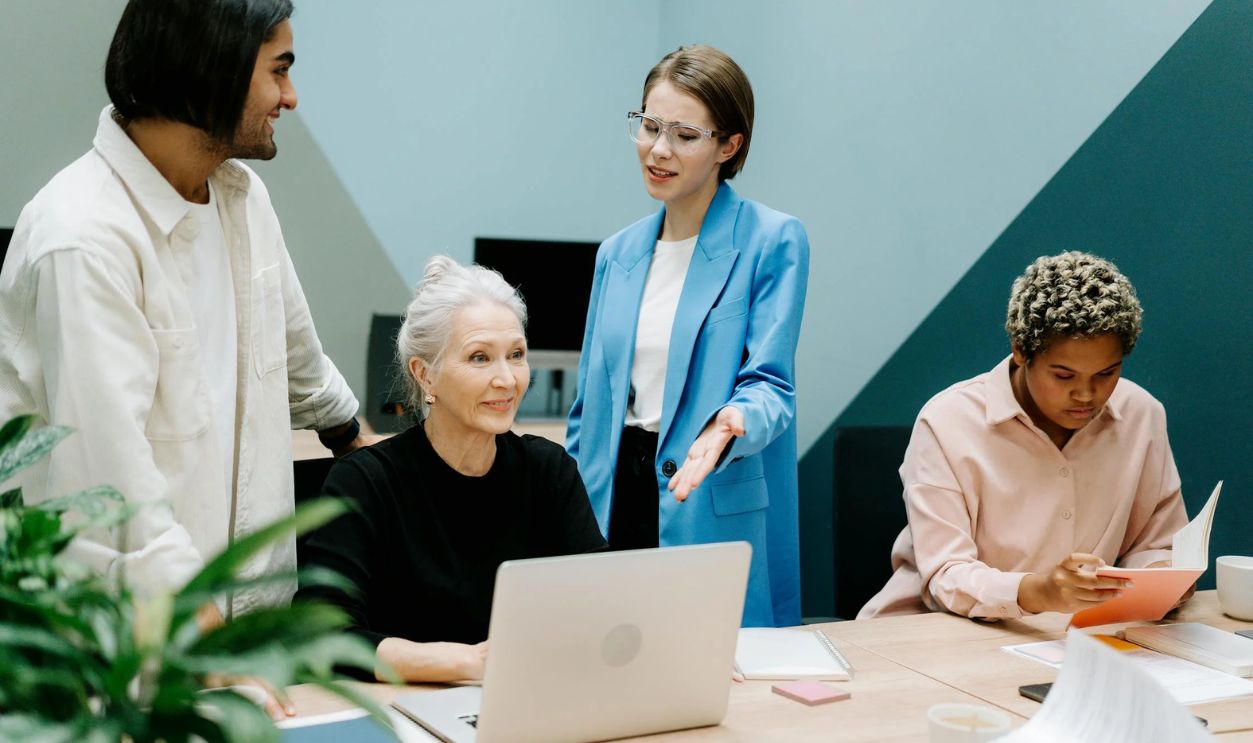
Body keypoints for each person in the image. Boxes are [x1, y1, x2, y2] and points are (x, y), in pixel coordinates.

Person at [0, 0, 364, 627]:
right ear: (212, 69)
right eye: (279, 71)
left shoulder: (243, 198)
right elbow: (117, 494)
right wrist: (205, 651)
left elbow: (294, 351)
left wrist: (350, 435)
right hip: (132, 646)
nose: (292, 96)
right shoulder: (83, 237)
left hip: (244, 628)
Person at [566, 45, 810, 627]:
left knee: (706, 683)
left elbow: (771, 385)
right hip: (613, 494)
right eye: (649, 126)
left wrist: (732, 421)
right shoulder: (616, 253)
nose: (658, 150)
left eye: (684, 134)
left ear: (730, 145)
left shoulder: (772, 240)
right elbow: (589, 406)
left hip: (707, 486)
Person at [296, 256, 606, 682]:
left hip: (523, 699)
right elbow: (321, 632)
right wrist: (466, 663)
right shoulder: (365, 481)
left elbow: (601, 599)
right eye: (480, 358)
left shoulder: (548, 470)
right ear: (426, 376)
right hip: (402, 709)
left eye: (515, 355)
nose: (507, 379)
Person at [859, 251, 1190, 619]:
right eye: (1064, 376)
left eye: (1106, 374)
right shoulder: (947, 422)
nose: (1086, 394)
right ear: (1020, 351)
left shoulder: (1141, 415)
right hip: (933, 634)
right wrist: (1038, 591)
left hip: (1068, 639)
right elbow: (945, 575)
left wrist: (1164, 575)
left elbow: (1158, 544)